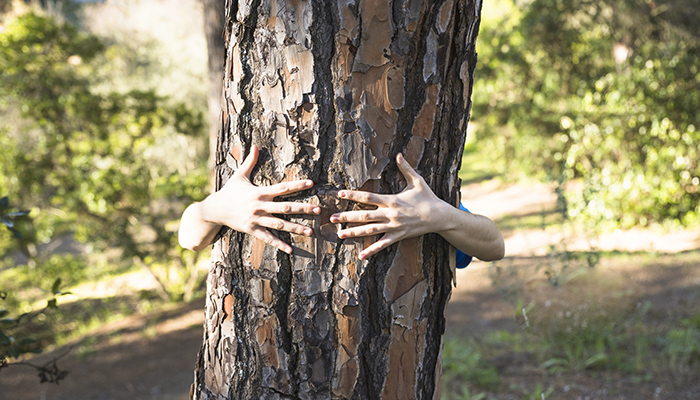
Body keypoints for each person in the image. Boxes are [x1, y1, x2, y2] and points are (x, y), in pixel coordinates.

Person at [179, 145, 505, 264]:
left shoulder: (418, 207)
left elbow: (493, 245)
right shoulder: (234, 202)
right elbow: (189, 237)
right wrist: (214, 209)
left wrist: (438, 215)